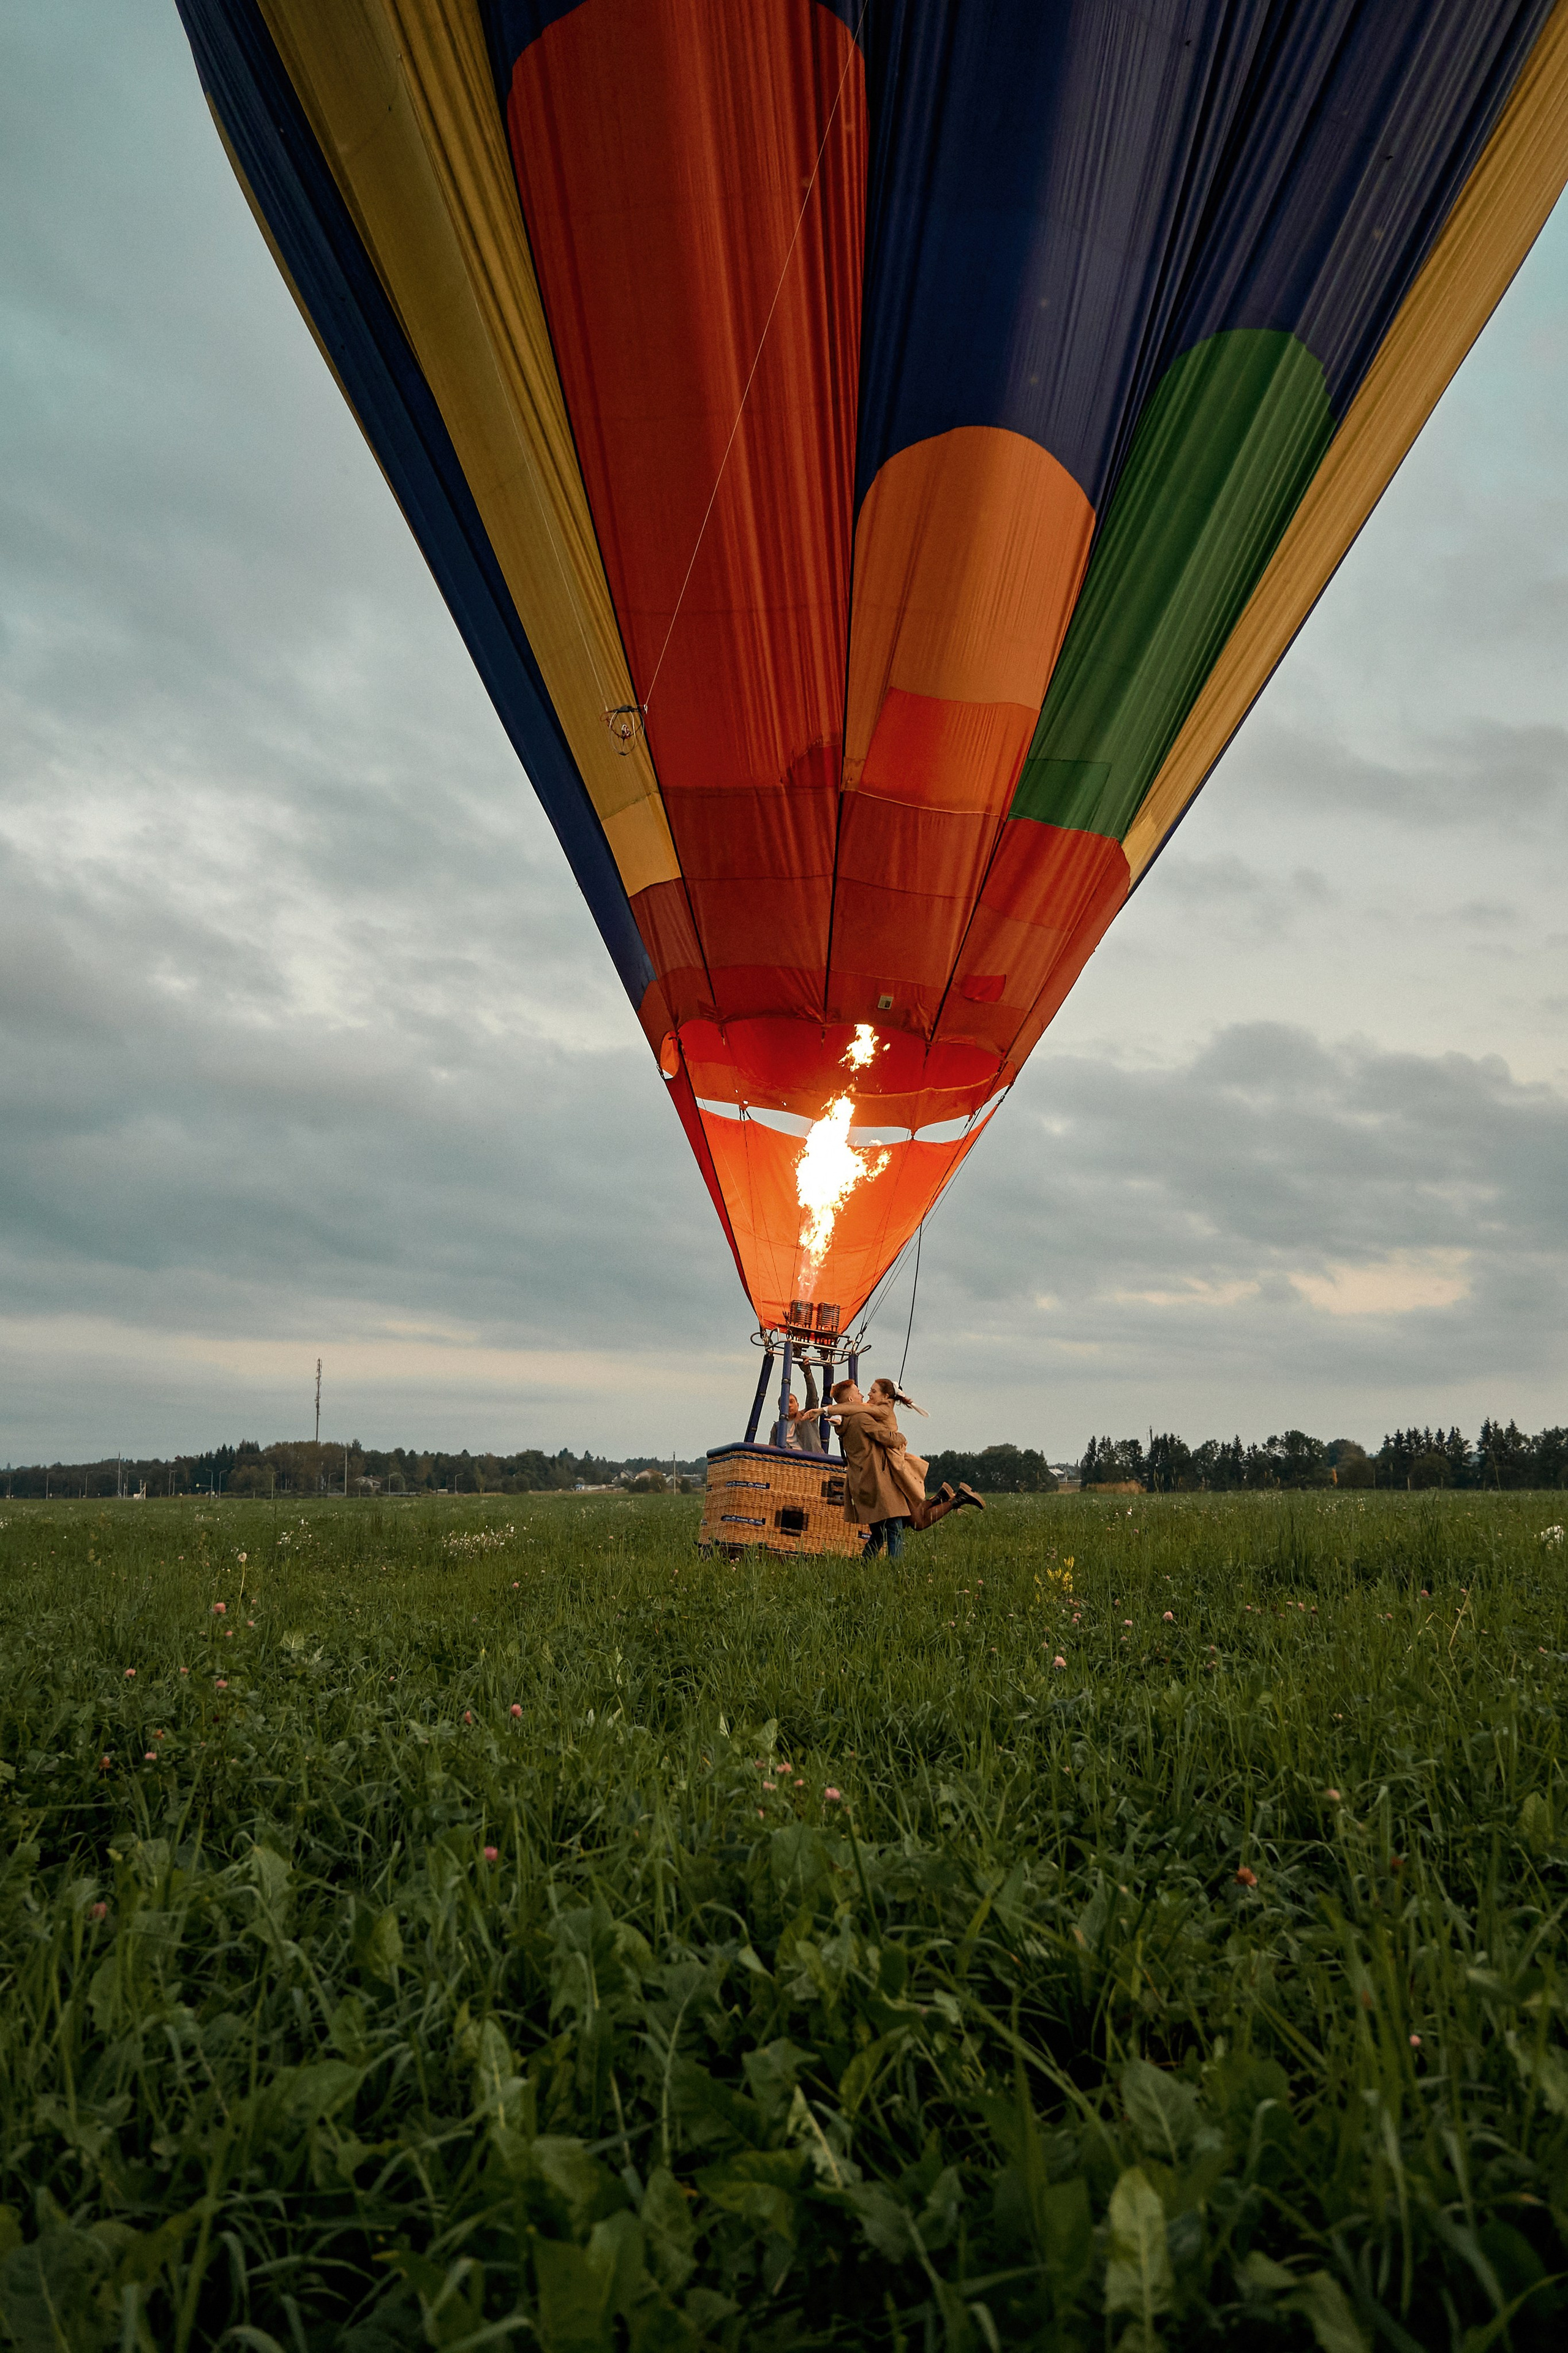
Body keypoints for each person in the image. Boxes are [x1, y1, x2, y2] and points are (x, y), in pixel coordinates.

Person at [827, 1378, 983, 1557]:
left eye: (872, 1391)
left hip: (868, 1483)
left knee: (881, 1532)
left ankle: (864, 1567)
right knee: (897, 1529)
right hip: (882, 1482)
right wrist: (901, 1437)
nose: (864, 1394)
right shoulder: (862, 1418)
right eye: (858, 1392)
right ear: (850, 1401)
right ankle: (896, 1573)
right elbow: (890, 1439)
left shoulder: (844, 1423)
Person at [783, 1362, 825, 1454]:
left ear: (798, 1405)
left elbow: (813, 1397)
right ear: (780, 1408)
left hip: (812, 1461)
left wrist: (808, 1374)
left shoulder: (807, 1416)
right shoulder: (778, 1427)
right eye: (785, 1403)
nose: (789, 1405)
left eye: (791, 1402)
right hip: (789, 1463)